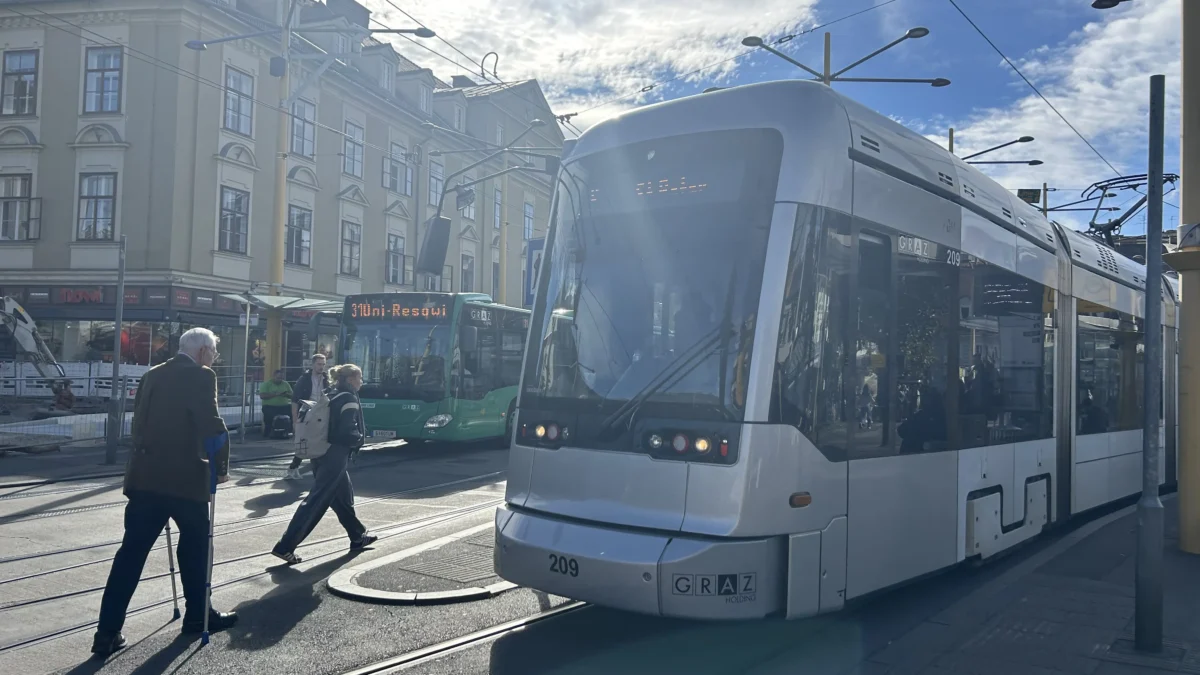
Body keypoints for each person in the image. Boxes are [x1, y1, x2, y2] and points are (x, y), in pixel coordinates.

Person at [91, 328, 238, 656]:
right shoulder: (202, 375)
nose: (214, 358)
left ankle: (107, 633)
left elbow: (138, 423)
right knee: (196, 547)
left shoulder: (152, 374)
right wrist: (222, 468)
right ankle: (198, 616)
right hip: (186, 479)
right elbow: (211, 425)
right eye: (213, 352)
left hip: (145, 478)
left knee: (130, 555)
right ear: (202, 352)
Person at [271, 363, 377, 564]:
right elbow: (345, 431)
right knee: (316, 501)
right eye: (359, 377)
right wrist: (358, 439)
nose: (361, 381)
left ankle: (357, 536)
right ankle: (285, 546)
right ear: (350, 379)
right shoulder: (348, 398)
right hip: (335, 453)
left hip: (321, 451)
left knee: (343, 498)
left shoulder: (332, 393)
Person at [287, 354, 328, 480]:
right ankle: (294, 467)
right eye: (319, 364)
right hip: (307, 412)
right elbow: (295, 400)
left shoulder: (327, 379)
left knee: (320, 441)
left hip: (321, 412)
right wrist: (295, 421)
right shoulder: (304, 379)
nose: (321, 367)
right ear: (313, 365)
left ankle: (316, 470)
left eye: (323, 364)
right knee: (305, 440)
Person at [258, 369, 293, 438]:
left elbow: (292, 395)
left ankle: (289, 431)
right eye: (278, 378)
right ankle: (267, 433)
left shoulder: (285, 384)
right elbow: (262, 396)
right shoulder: (266, 384)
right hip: (269, 406)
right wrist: (275, 394)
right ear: (273, 376)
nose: (279, 380)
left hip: (283, 406)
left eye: (281, 378)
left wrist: (285, 395)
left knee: (291, 412)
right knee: (268, 417)